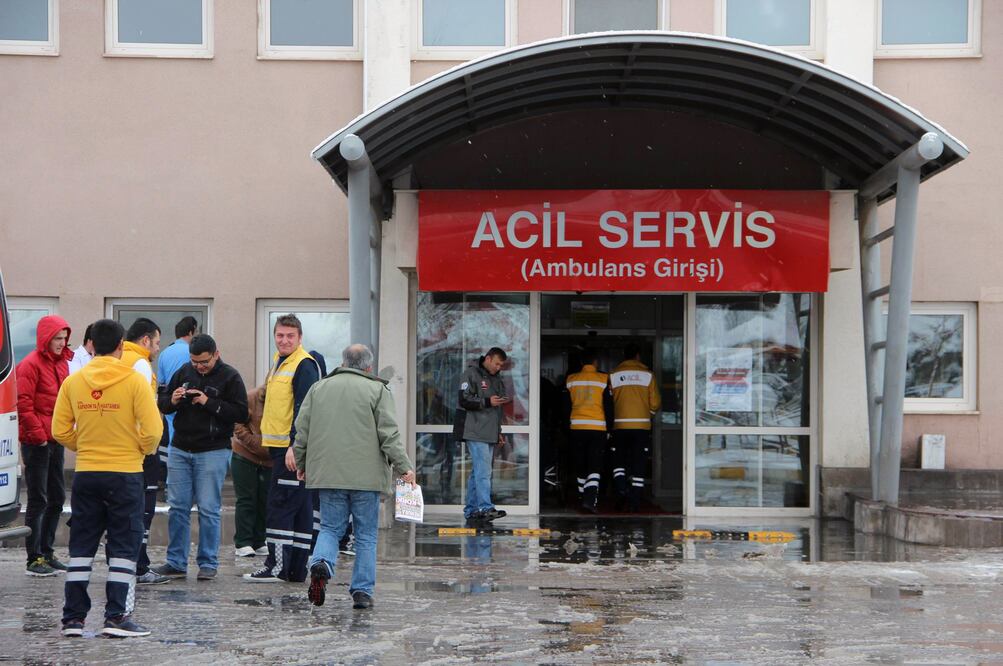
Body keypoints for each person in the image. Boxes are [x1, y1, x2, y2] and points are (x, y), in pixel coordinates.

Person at [51, 318, 163, 638]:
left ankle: (73, 619)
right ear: (119, 346)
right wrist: (138, 449)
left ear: (92, 345)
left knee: (82, 546)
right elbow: (153, 430)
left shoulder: (74, 382)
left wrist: (84, 445)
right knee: (124, 544)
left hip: (87, 473)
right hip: (125, 472)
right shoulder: (134, 380)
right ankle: (116, 616)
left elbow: (59, 430)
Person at [293, 343, 415, 609]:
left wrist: (301, 462)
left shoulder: (319, 388)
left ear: (344, 363)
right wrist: (404, 467)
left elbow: (302, 429)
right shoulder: (377, 390)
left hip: (328, 474)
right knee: (366, 535)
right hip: (366, 478)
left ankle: (322, 563)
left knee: (330, 528)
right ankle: (362, 591)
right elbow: (388, 434)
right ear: (369, 367)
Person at [153, 334, 247, 580]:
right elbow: (162, 402)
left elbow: (240, 412)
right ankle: (176, 562)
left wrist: (208, 402)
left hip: (213, 450)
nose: (199, 366)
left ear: (216, 354)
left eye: (204, 361)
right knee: (177, 508)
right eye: (195, 362)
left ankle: (208, 562)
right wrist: (172, 400)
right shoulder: (184, 371)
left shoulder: (230, 376)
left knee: (208, 508)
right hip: (181, 448)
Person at [244, 314, 322, 583]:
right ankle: (295, 569)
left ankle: (275, 567)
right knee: (300, 510)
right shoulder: (280, 362)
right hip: (280, 448)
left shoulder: (304, 365)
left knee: (279, 507)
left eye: (290, 336)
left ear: (299, 338)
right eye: (280, 335)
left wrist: (294, 445)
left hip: (290, 450)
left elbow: (304, 409)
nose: (284, 340)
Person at [16, 315, 73, 577]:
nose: (62, 343)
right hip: (37, 441)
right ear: (46, 339)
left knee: (57, 498)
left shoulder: (62, 363)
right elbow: (24, 404)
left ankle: (47, 552)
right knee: (39, 499)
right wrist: (38, 436)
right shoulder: (30, 365)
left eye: (64, 338)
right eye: (58, 338)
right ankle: (34, 558)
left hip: (55, 439)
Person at [119, 318, 166, 586]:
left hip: (123, 445)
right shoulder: (139, 364)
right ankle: (139, 565)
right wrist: (149, 446)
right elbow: (140, 408)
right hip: (140, 449)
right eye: (157, 342)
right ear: (145, 340)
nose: (158, 349)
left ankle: (132, 563)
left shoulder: (119, 358)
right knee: (142, 508)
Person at [457, 347, 510, 524]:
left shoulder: (497, 379)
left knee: (477, 472)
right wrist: (487, 401)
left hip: (489, 431)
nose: (498, 367)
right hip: (475, 430)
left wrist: (499, 432)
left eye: (501, 365)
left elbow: (498, 409)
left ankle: (471, 510)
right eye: (496, 364)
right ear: (487, 359)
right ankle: (485, 507)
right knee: (483, 471)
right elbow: (463, 399)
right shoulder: (471, 374)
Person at [610, 343, 661, 512]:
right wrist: (648, 414)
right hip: (641, 427)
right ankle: (635, 501)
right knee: (638, 462)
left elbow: (609, 401)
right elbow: (655, 402)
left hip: (620, 425)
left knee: (619, 460)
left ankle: (622, 489)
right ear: (638, 356)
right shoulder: (648, 375)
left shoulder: (614, 375)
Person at [566, 349, 613, 514]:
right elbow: (608, 406)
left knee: (580, 465)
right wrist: (610, 428)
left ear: (581, 363)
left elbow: (566, 405)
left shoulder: (571, 380)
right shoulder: (603, 379)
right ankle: (589, 500)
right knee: (594, 465)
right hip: (597, 428)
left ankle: (582, 497)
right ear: (596, 363)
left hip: (577, 428)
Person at [231, 384, 271, 558]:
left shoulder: (286, 400)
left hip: (270, 458)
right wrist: (253, 442)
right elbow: (238, 423)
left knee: (264, 499)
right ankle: (243, 541)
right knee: (246, 498)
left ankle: (259, 540)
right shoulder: (252, 397)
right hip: (245, 454)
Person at [157, 316, 198, 466]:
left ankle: (170, 478)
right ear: (190, 331)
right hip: (190, 403)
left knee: (172, 440)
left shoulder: (164, 353)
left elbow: (161, 382)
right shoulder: (192, 351)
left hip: (171, 402)